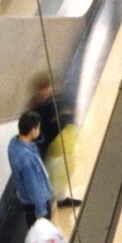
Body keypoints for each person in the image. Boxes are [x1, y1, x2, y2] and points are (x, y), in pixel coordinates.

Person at [8, 111, 58, 243]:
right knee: (40, 233)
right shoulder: (27, 159)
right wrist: (41, 212)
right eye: (38, 128)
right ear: (33, 130)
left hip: (25, 198)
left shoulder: (14, 144)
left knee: (34, 231)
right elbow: (34, 186)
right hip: (36, 202)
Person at [28, 75, 81, 207]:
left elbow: (68, 113)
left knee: (62, 172)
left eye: (47, 88)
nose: (46, 91)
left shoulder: (57, 100)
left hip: (60, 143)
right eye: (42, 89)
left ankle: (61, 199)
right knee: (49, 175)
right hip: (47, 146)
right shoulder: (35, 109)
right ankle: (46, 204)